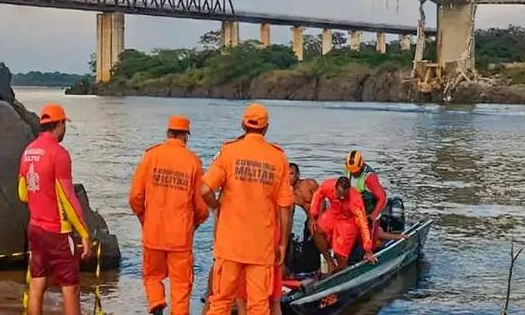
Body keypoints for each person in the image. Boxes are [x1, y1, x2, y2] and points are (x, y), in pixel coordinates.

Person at [201, 103, 293, 315]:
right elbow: (285, 207)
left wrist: (217, 206)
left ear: (243, 125)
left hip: (229, 243)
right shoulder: (278, 158)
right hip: (261, 247)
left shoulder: (229, 152)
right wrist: (282, 245)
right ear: (266, 128)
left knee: (220, 301)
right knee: (259, 306)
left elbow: (205, 189)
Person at [128, 116, 209, 315]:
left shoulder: (150, 157)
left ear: (168, 133)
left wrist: (144, 218)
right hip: (180, 237)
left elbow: (135, 197)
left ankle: (156, 303)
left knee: (152, 276)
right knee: (181, 286)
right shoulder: (193, 162)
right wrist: (195, 223)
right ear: (186, 137)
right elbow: (201, 207)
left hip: (153, 232)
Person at [18, 104, 91, 315]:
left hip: (35, 228)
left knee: (37, 283)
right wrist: (84, 233)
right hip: (57, 232)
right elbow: (68, 198)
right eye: (63, 125)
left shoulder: (28, 151)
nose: (64, 129)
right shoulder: (59, 154)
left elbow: (22, 193)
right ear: (59, 125)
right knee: (71, 288)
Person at [309, 176, 376, 275]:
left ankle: (338, 272)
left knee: (341, 255)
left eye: (345, 195)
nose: (341, 197)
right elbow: (318, 195)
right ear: (335, 188)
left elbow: (363, 225)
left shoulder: (355, 201)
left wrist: (368, 249)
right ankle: (329, 262)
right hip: (333, 213)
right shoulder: (328, 185)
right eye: (339, 194)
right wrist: (313, 215)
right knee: (317, 230)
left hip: (348, 220)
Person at [344, 151, 387, 243]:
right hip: (355, 212)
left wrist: (373, 216)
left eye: (355, 171)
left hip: (369, 212)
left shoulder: (370, 177)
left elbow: (382, 198)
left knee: (368, 242)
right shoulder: (349, 170)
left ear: (361, 165)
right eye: (352, 171)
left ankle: (378, 238)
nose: (353, 173)